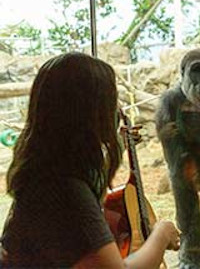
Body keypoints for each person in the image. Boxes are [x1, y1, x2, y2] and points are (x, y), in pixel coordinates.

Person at [0, 52, 180, 268]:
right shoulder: (64, 190)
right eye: (111, 101)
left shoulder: (46, 170)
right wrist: (161, 235)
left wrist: (119, 146)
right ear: (91, 112)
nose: (116, 111)